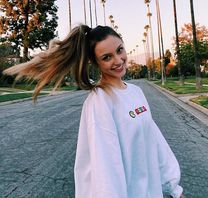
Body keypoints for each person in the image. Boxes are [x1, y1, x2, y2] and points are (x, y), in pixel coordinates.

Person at [4, 24, 184, 198]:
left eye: (119, 50)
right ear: (96, 63)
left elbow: (155, 142)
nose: (118, 60)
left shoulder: (136, 92)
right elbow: (106, 168)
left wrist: (174, 188)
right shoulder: (99, 101)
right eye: (107, 57)